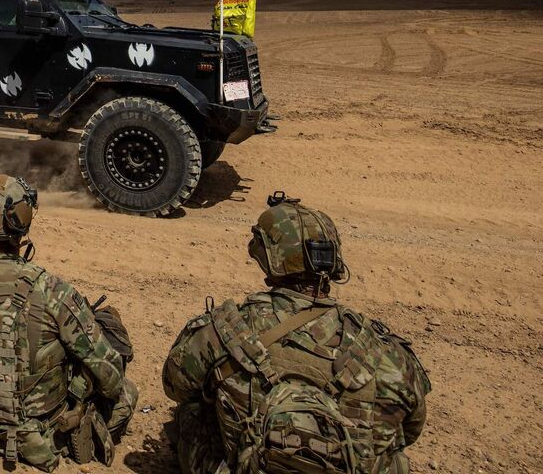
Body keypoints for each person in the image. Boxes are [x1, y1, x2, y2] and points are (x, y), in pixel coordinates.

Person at [163, 192, 431, 474]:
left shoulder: (226, 331)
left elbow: (176, 385)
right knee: (395, 455)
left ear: (268, 258)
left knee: (191, 413)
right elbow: (412, 428)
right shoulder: (385, 352)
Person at [0, 175, 138, 471]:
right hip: (37, 440)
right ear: (22, 221)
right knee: (126, 392)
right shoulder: (52, 292)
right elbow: (110, 375)